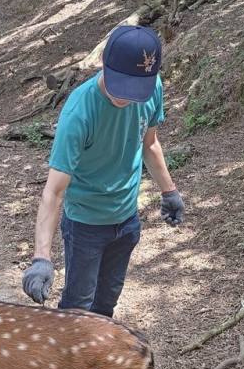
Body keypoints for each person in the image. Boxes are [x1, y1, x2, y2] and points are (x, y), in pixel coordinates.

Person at [21, 26, 185, 318]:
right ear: (104, 64)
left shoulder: (151, 88)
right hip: (86, 223)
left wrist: (169, 191)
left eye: (135, 89)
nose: (126, 97)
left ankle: (95, 363)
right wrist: (41, 258)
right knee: (77, 310)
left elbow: (150, 144)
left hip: (126, 220)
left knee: (105, 306)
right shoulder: (79, 112)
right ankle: (67, 363)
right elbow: (54, 191)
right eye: (120, 84)